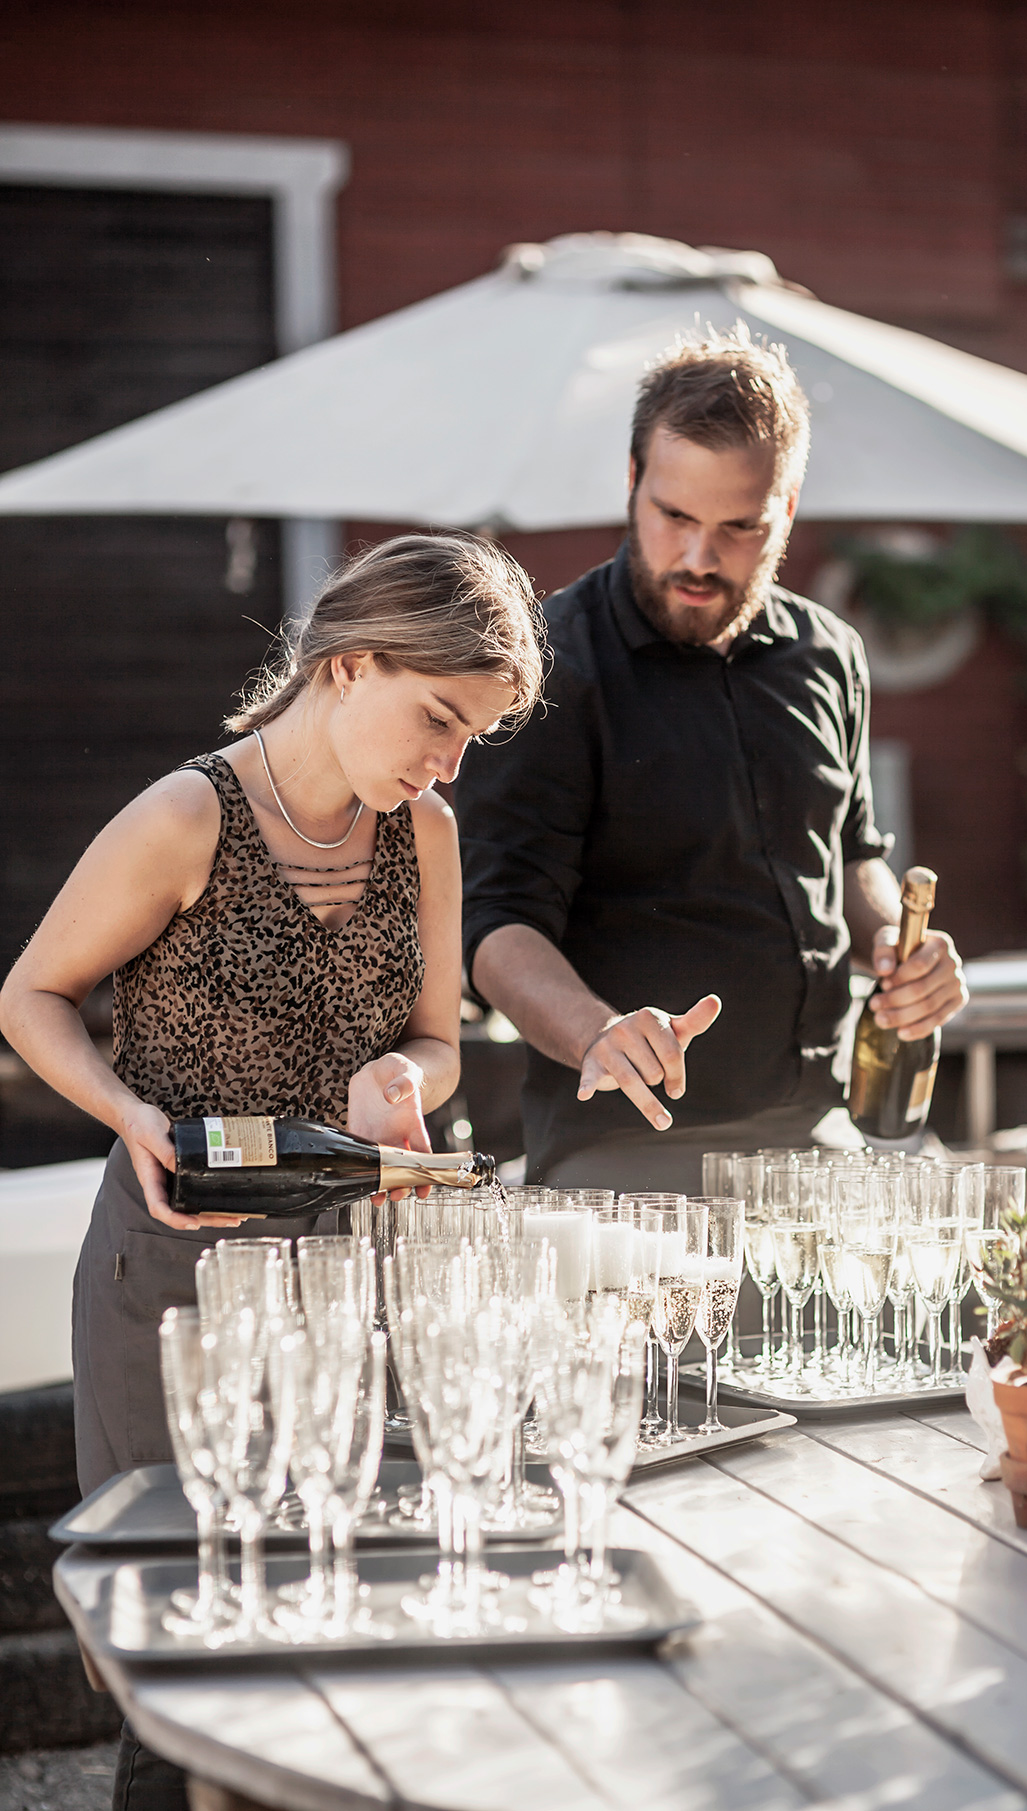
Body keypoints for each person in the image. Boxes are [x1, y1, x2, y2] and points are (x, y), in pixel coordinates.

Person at [0, 531, 542, 1811]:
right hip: (171, 1280)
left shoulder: (430, 835)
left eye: (474, 736)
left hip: (347, 1285)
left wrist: (403, 1083)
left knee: (334, 1642)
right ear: (349, 665)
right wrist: (129, 1111)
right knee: (185, 1656)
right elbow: (28, 996)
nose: (449, 759)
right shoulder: (190, 814)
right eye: (440, 718)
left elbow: (434, 1041)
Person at [457, 327, 967, 1190]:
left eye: (738, 527)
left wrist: (900, 949)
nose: (698, 558)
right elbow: (494, 925)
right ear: (631, 483)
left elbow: (851, 855)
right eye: (675, 517)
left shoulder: (829, 652)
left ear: (788, 509)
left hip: (816, 1129)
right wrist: (595, 1033)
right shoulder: (549, 664)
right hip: (624, 1147)